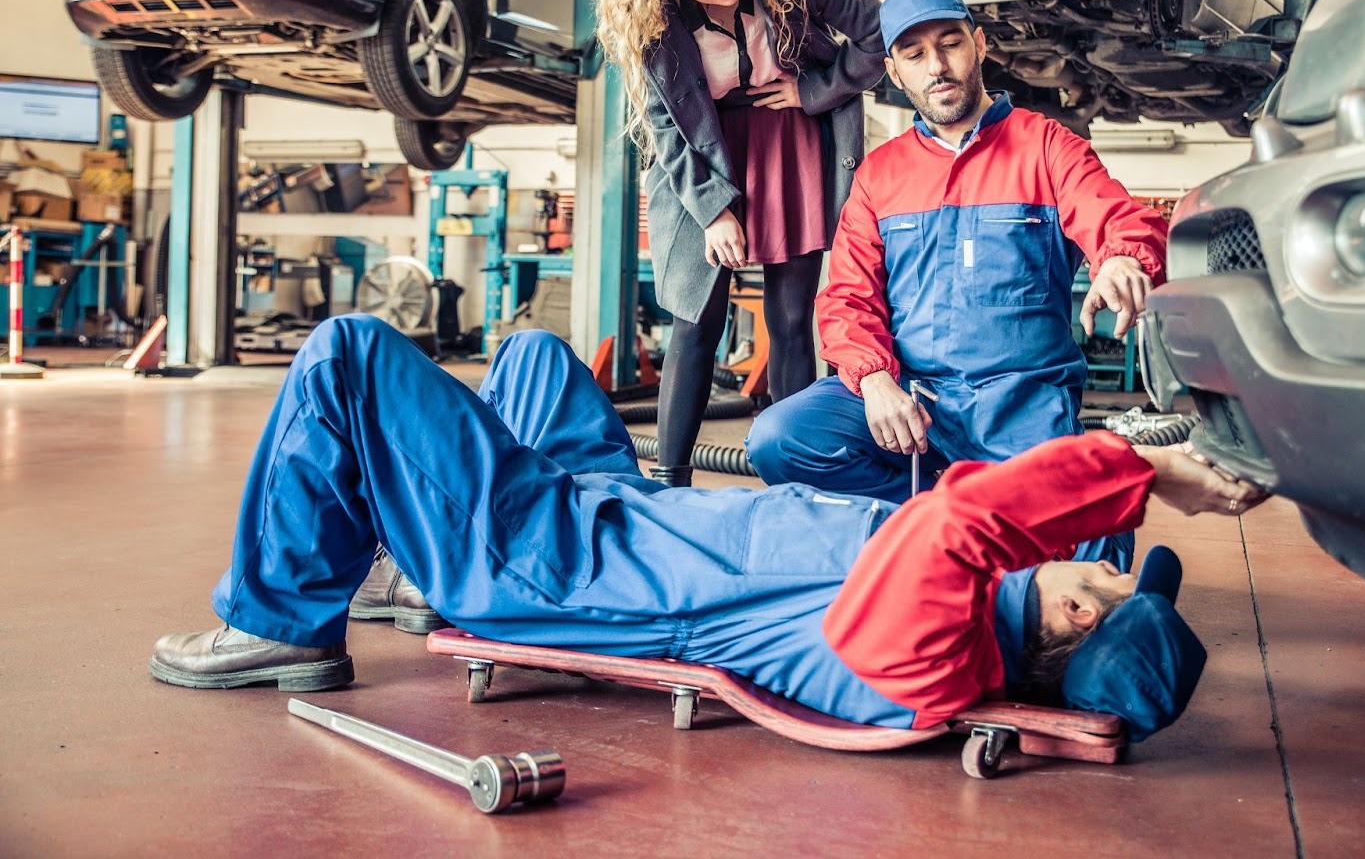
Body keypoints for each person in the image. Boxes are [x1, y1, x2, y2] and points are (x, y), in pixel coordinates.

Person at [150, 315, 1267, 737]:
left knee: (348, 353)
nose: (1102, 562)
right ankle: (413, 548)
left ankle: (283, 621)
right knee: (539, 354)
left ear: (1074, 611)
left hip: (557, 563)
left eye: (1117, 578)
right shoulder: (970, 599)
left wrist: (1138, 471)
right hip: (623, 511)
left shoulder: (929, 659)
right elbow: (964, 500)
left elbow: (962, 522)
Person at [746, 0, 1169, 570]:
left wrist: (1122, 257)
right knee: (782, 438)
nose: (937, 67)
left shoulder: (1045, 145)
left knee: (1087, 533)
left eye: (950, 45)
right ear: (894, 73)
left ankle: (976, 531)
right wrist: (873, 381)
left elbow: (1118, 217)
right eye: (915, 56)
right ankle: (945, 528)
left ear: (980, 45)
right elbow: (847, 298)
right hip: (915, 404)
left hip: (1019, 408)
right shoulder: (880, 175)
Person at [594, 0, 884, 487]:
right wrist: (711, 211)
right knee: (697, 319)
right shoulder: (656, 21)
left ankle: (796, 478)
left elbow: (878, 31)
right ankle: (668, 482)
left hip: (790, 139)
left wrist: (816, 88)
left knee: (789, 317)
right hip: (703, 157)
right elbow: (665, 126)